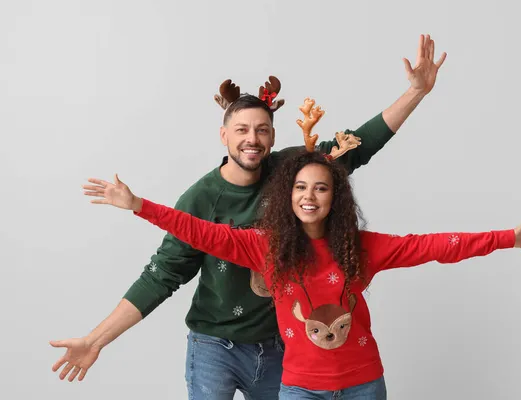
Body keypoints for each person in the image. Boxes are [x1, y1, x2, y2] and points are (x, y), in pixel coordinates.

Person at [51, 34, 448, 400]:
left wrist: (415, 92)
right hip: (215, 346)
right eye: (241, 129)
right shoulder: (202, 198)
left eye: (261, 130)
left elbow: (355, 147)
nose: (251, 139)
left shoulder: (293, 172)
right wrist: (96, 339)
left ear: (273, 136)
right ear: (223, 135)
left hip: (281, 345)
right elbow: (161, 275)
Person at [80, 147, 521, 399]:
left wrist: (506, 236)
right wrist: (138, 206)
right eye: (300, 186)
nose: (309, 196)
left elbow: (434, 247)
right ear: (287, 195)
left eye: (321, 188)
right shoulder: (265, 247)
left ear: (334, 197)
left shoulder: (361, 248)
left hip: (365, 384)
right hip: (300, 389)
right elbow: (200, 232)